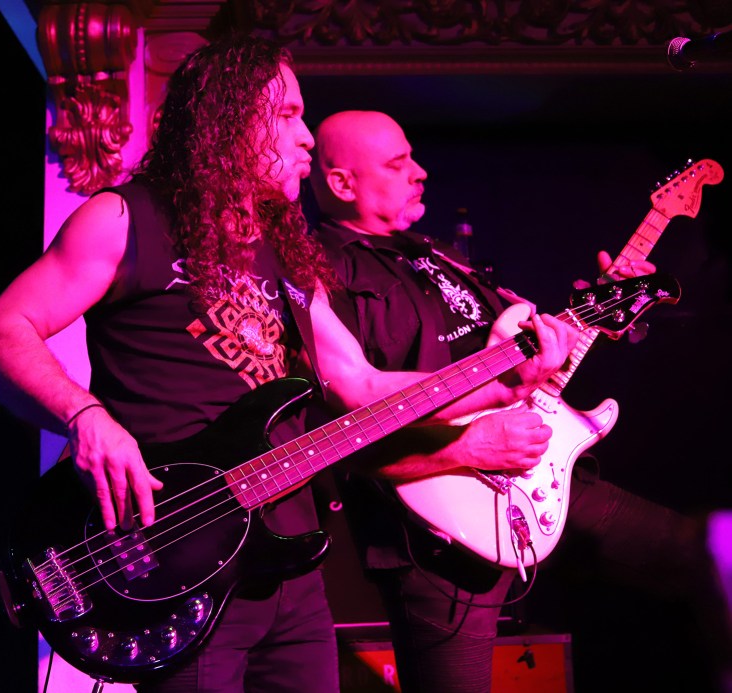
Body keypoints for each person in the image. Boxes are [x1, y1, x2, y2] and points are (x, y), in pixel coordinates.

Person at [0, 34, 579, 693]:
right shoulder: (124, 219)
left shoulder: (287, 254)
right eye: (287, 114)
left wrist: (501, 380)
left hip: (289, 563)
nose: (307, 137)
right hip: (178, 559)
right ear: (227, 122)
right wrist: (85, 417)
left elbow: (364, 386)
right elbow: (0, 334)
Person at [306, 110, 732, 693]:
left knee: (704, 559)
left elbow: (524, 355)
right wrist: (467, 446)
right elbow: (342, 424)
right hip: (440, 523)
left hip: (544, 472)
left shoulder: (436, 254)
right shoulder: (320, 273)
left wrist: (605, 307)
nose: (420, 172)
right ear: (341, 183)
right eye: (397, 163)